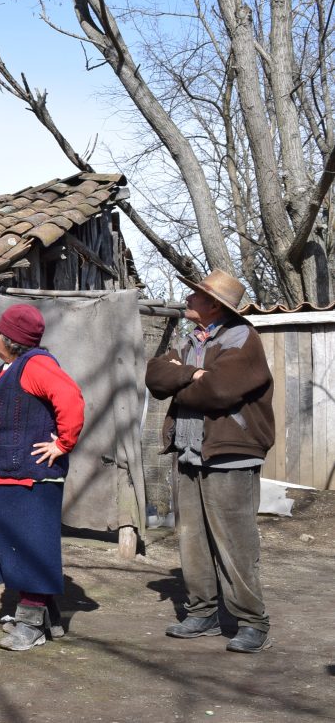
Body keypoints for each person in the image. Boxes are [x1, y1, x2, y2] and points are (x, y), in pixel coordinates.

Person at [145, 269, 275, 653]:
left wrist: (183, 382)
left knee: (236, 545)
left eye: (195, 296)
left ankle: (253, 621)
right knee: (193, 541)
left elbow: (217, 391)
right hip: (189, 454)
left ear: (214, 305)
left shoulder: (242, 339)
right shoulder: (189, 341)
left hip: (230, 457)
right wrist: (192, 374)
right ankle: (202, 613)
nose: (188, 300)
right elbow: (154, 377)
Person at [0, 303, 84, 651]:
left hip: (27, 478)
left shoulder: (36, 365)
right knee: (13, 549)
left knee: (29, 548)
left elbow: (71, 399)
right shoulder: (10, 368)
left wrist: (63, 443)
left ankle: (31, 624)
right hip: (3, 475)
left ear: (9, 339)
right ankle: (48, 617)